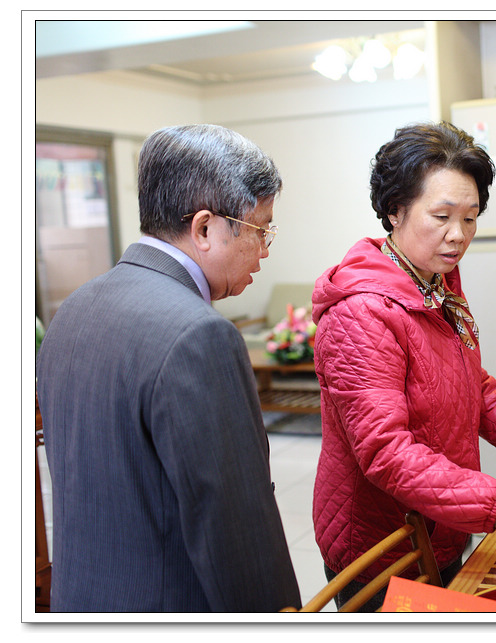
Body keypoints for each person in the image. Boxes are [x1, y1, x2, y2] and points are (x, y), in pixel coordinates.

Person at [35, 124, 301, 612]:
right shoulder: (199, 335)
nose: (265, 250)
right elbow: (233, 524)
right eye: (261, 230)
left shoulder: (71, 311)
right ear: (205, 228)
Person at [311, 121, 496, 611]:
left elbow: (470, 387)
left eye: (470, 218)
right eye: (442, 216)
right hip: (381, 542)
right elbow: (385, 451)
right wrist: (495, 507)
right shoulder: (360, 313)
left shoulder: (434, 280)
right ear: (394, 210)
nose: (458, 236)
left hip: (438, 522)